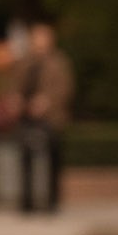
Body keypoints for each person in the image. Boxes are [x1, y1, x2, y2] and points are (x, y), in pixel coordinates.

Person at [19, 18, 76, 215]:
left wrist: (46, 102)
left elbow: (65, 88)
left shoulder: (59, 62)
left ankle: (52, 202)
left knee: (53, 161)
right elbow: (16, 85)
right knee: (26, 160)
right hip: (27, 117)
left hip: (51, 118)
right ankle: (27, 201)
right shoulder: (25, 61)